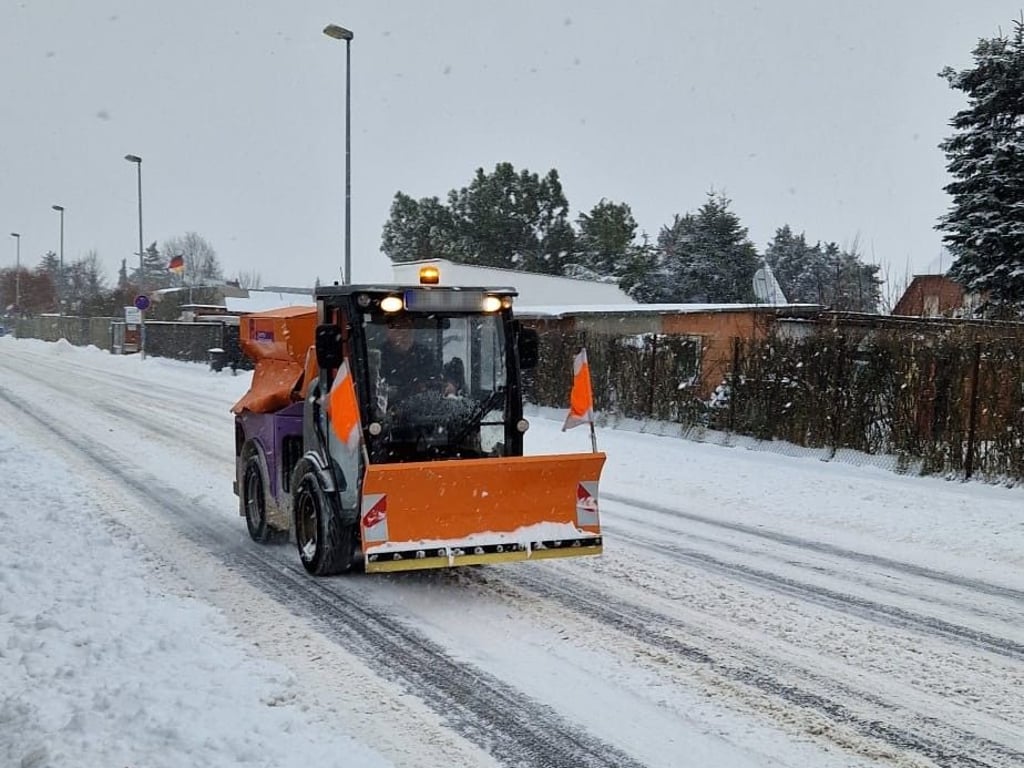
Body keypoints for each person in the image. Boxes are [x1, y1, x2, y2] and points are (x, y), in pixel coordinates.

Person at [377, 315, 457, 402]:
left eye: (407, 328)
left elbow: (436, 378)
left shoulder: (424, 354)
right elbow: (376, 389)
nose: (403, 333)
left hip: (421, 408)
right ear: (388, 332)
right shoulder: (378, 356)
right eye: (397, 329)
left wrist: (448, 385)